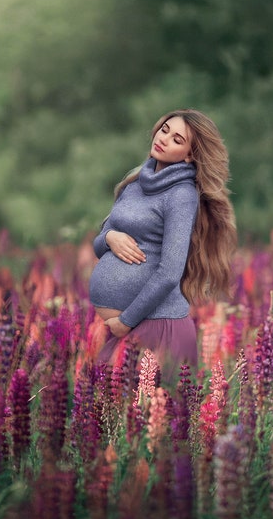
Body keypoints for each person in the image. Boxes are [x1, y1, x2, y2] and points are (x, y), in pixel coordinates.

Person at [88, 109, 237, 384]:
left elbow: (170, 272)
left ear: (190, 155)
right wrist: (110, 238)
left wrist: (125, 321)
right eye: (165, 129)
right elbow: (99, 246)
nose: (164, 138)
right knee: (106, 412)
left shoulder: (181, 195)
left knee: (138, 419)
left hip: (156, 326)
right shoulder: (134, 183)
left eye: (177, 139)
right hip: (129, 328)